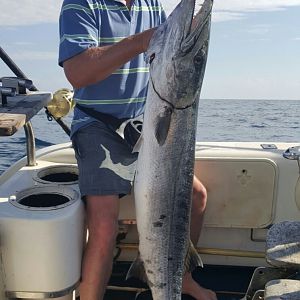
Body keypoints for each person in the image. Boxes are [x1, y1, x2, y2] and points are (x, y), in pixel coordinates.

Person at [58, 0, 217, 299]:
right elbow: (78, 72)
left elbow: (163, 59)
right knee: (104, 225)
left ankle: (177, 275)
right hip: (97, 125)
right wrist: (141, 41)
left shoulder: (150, 4)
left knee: (196, 196)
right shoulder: (81, 4)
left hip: (141, 124)